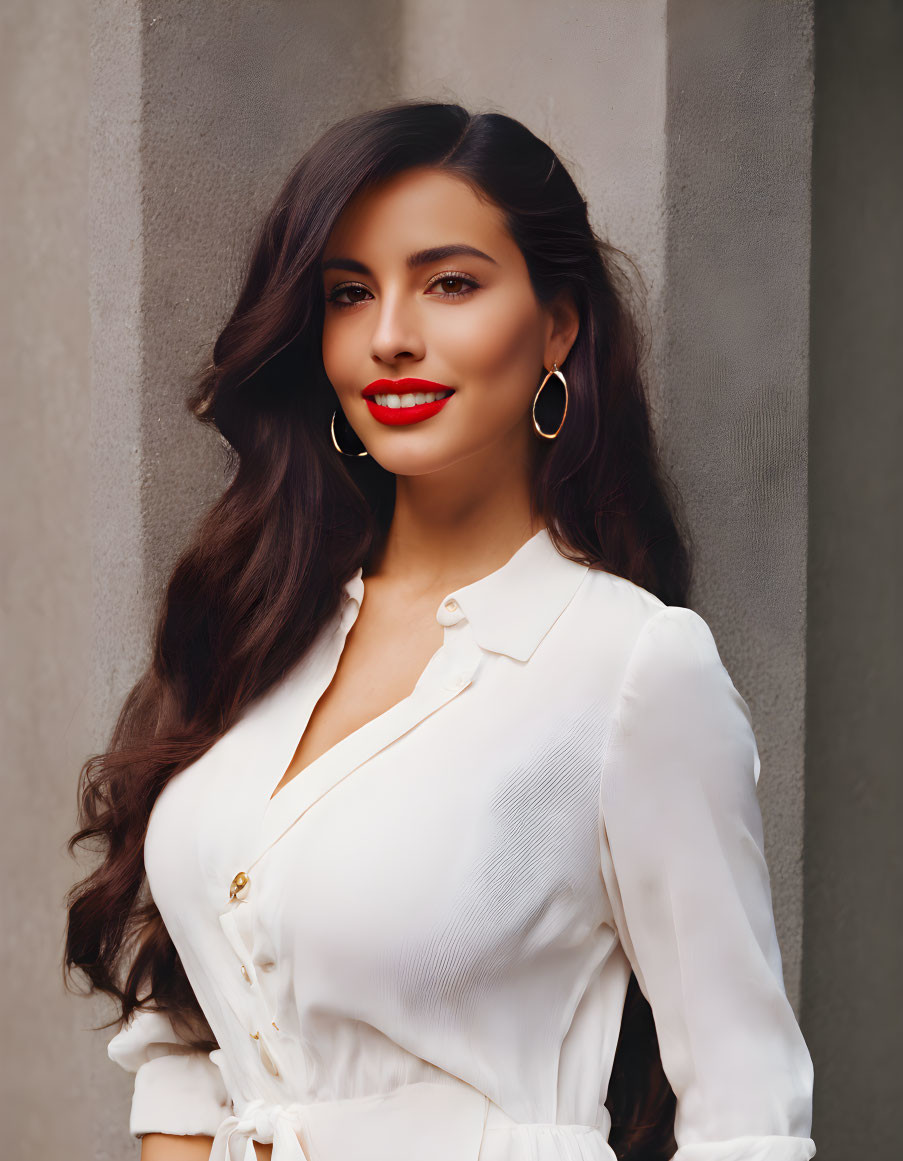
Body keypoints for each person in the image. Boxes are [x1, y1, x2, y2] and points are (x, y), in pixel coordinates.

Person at [65, 100, 816, 1161]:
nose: (389, 337)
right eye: (348, 294)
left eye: (450, 283)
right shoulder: (256, 626)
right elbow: (193, 1037)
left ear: (558, 325)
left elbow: (749, 1118)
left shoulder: (631, 668)